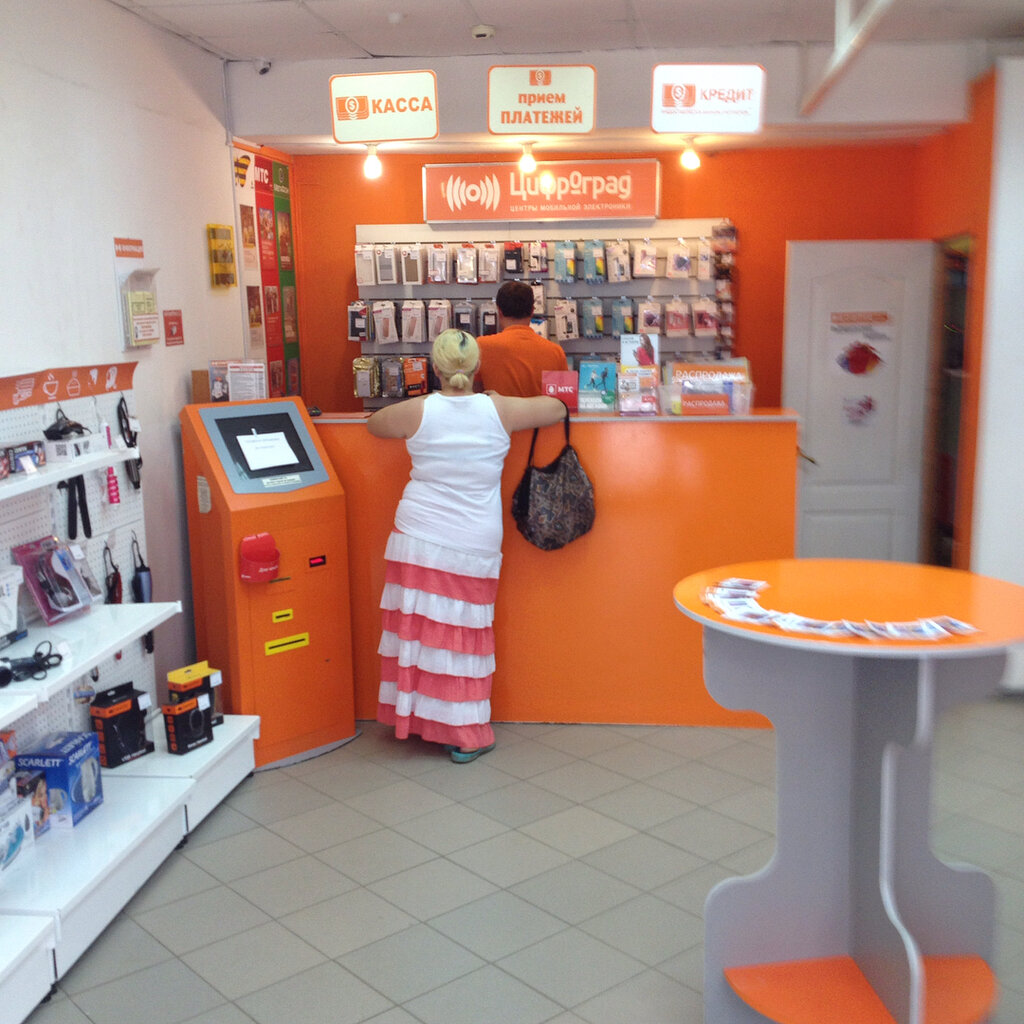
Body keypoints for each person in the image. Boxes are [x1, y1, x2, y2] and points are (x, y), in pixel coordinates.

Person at [367, 328, 565, 763]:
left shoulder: (419, 410)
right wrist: (498, 396)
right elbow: (556, 408)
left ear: (434, 368)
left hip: (418, 533)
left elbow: (374, 424)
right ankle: (465, 732)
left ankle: (420, 720)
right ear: (477, 367)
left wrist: (424, 402)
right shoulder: (500, 409)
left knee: (419, 631)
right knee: (462, 637)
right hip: (474, 537)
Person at [477, 280, 568, 396]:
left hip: (497, 408)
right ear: (532, 311)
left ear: (499, 311)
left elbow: (474, 394)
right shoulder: (555, 352)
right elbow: (563, 400)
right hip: (540, 409)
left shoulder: (481, 347)